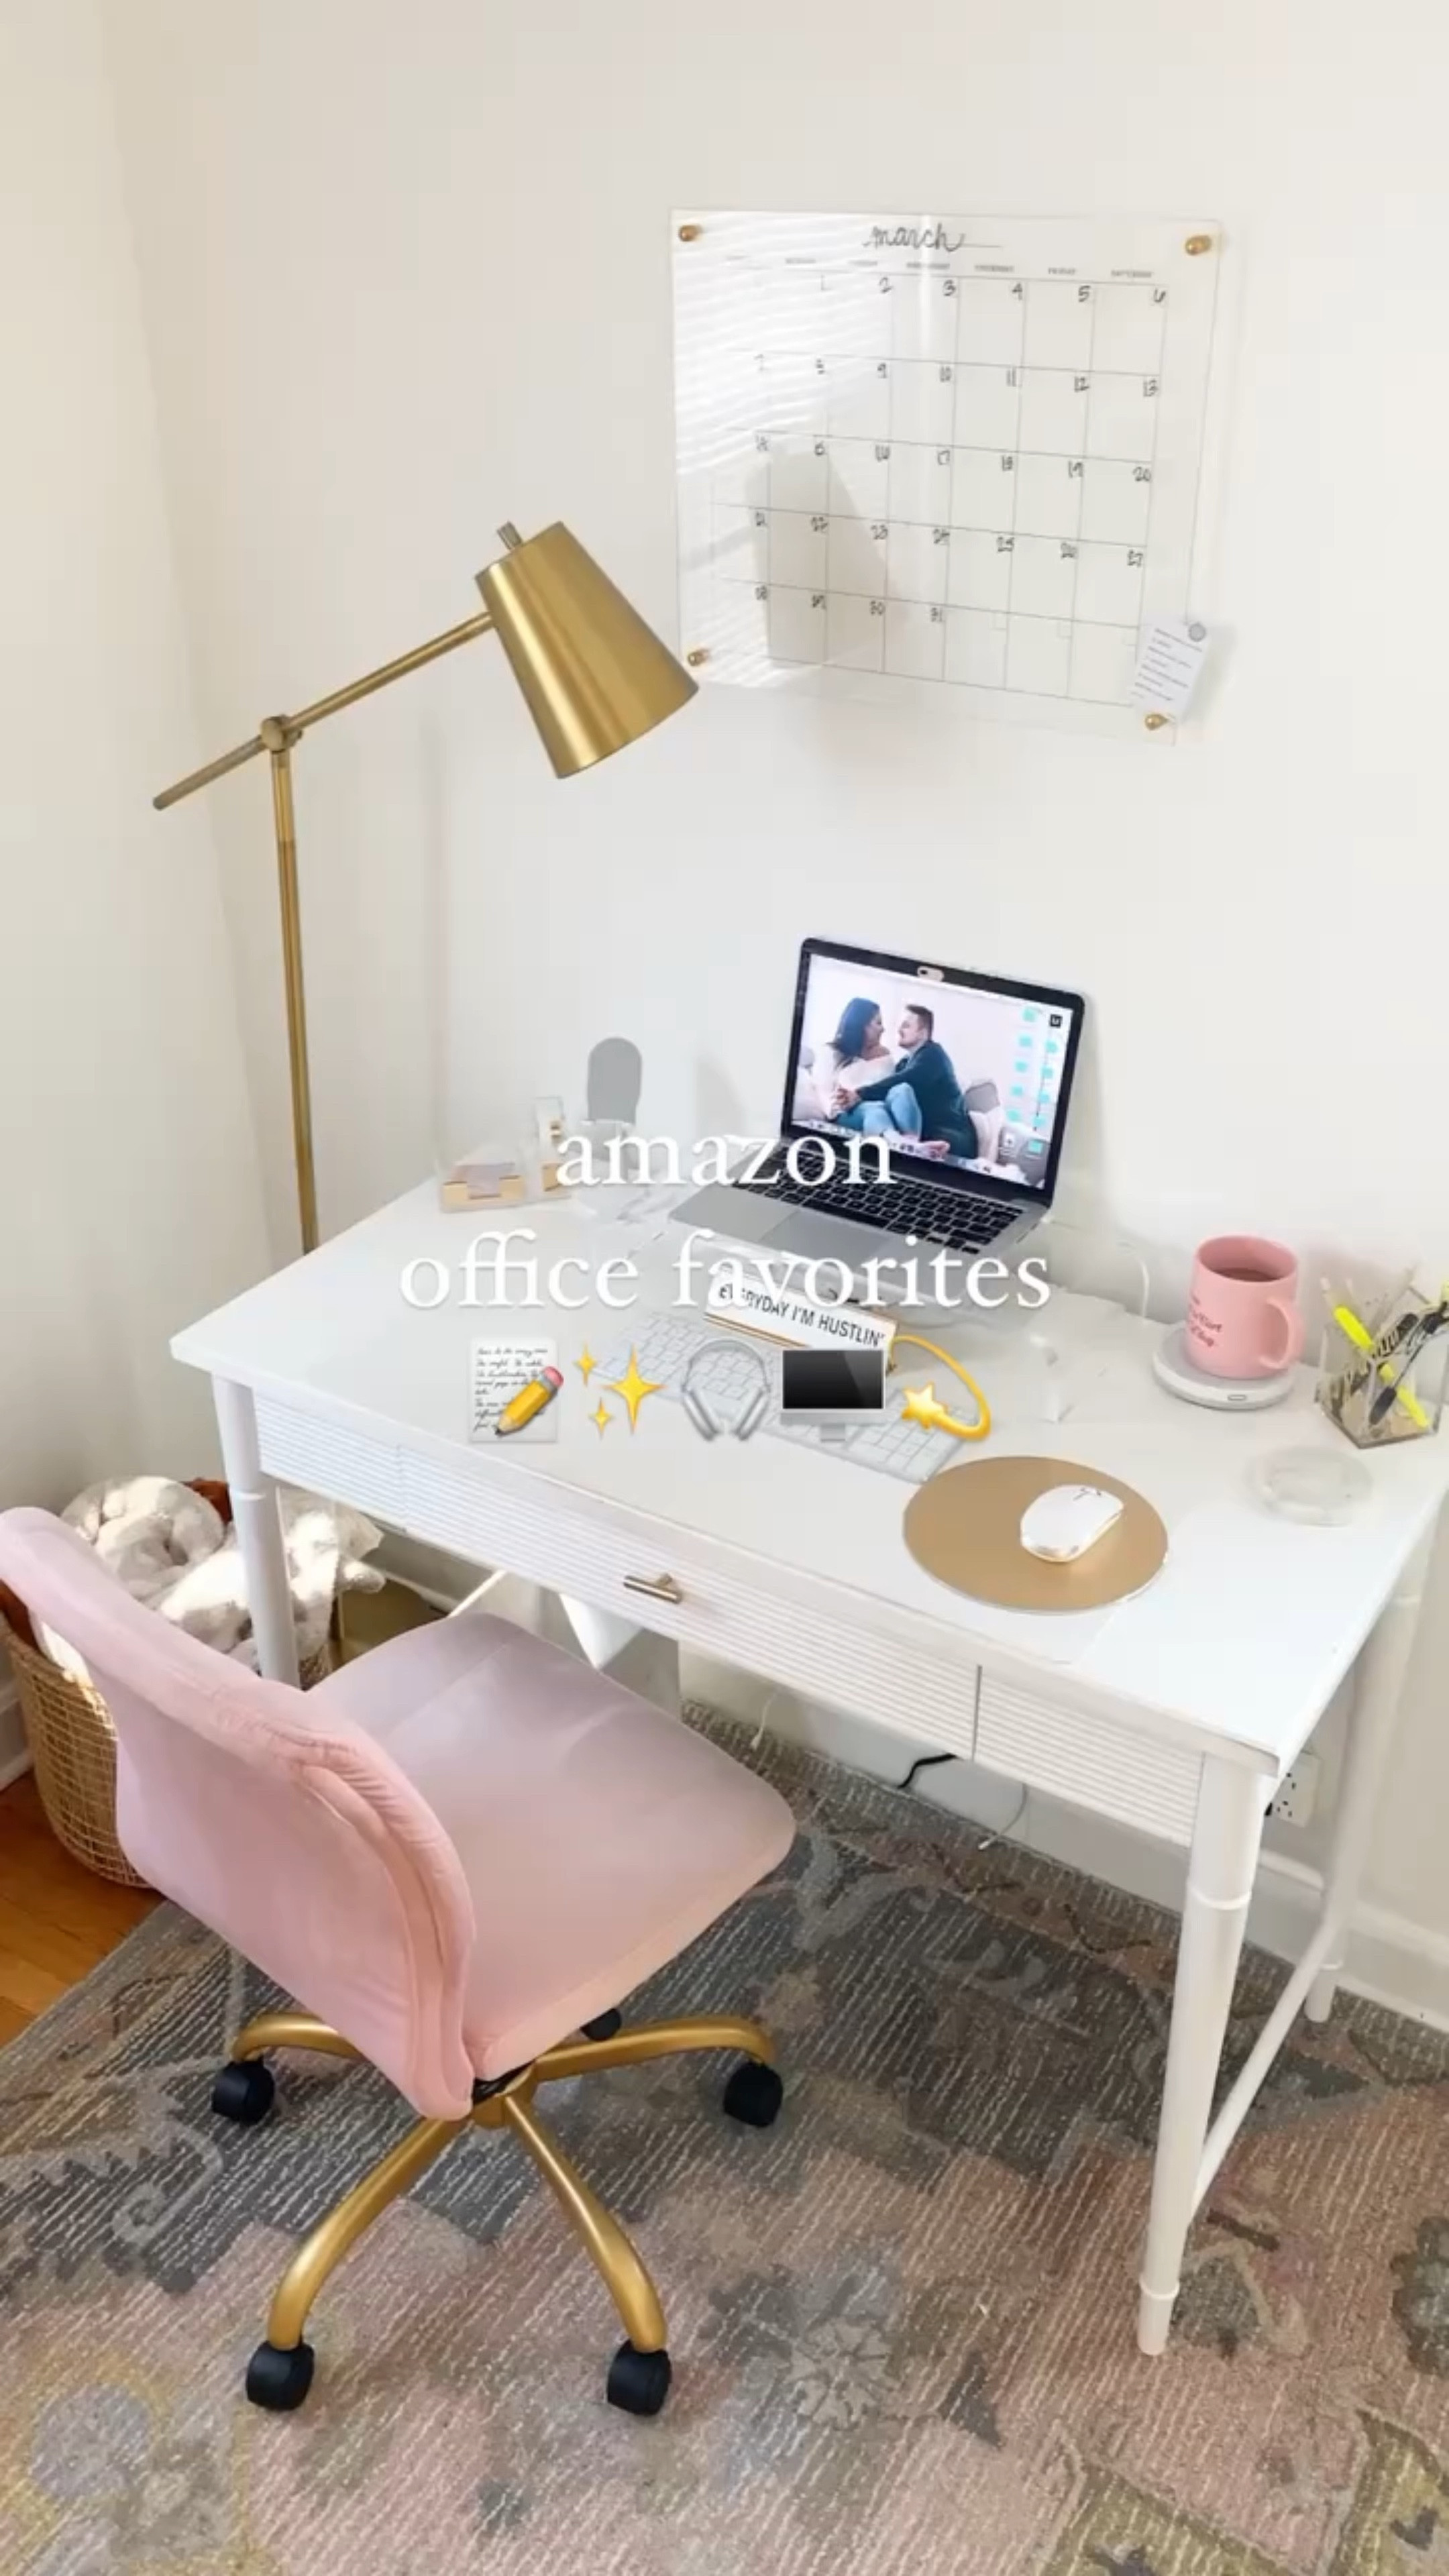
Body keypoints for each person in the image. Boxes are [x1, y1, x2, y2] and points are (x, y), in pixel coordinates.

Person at [835, 1004, 971, 1157]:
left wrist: (859, 1094)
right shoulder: (904, 1063)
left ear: (922, 1033)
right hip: (925, 1134)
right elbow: (890, 1091)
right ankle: (906, 1146)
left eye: (906, 1026)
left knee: (901, 1088)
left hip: (950, 1136)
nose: (899, 1030)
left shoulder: (933, 1055)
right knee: (895, 1095)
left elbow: (907, 1079)